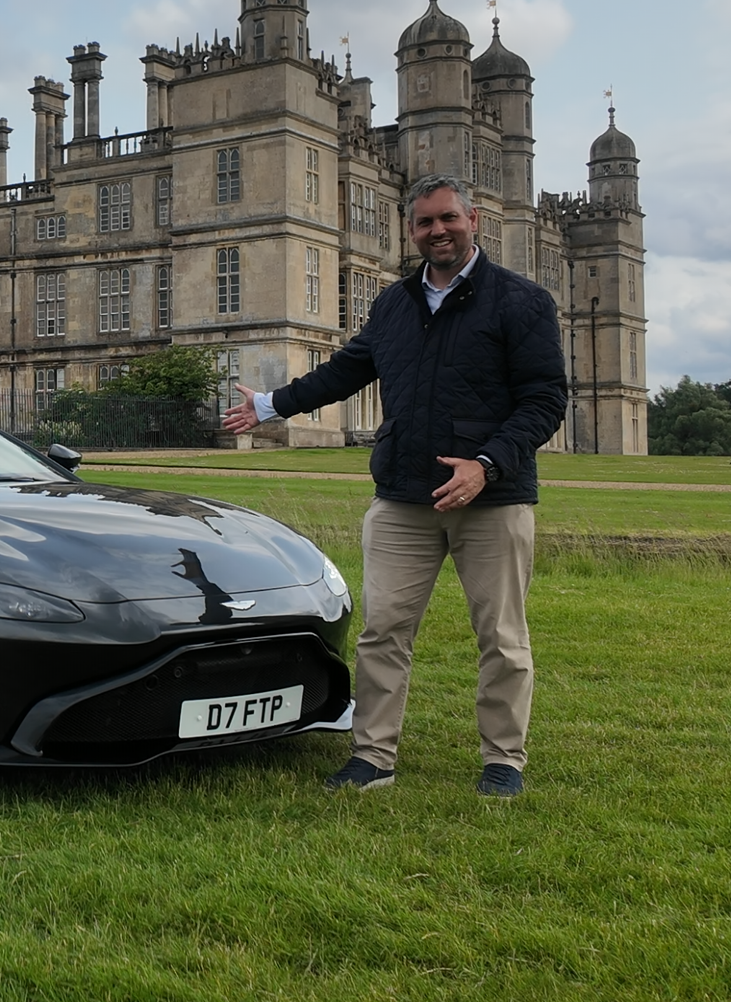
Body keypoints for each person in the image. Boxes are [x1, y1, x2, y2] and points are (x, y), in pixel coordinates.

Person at [223, 173, 567, 797]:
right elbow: (348, 370)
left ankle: (503, 761)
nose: (438, 230)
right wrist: (273, 404)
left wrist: (485, 464)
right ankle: (372, 754)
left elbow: (544, 401)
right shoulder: (394, 302)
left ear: (474, 222)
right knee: (383, 631)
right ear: (410, 231)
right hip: (403, 497)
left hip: (491, 499)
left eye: (448, 219)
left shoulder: (520, 301)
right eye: (425, 222)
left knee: (501, 637)